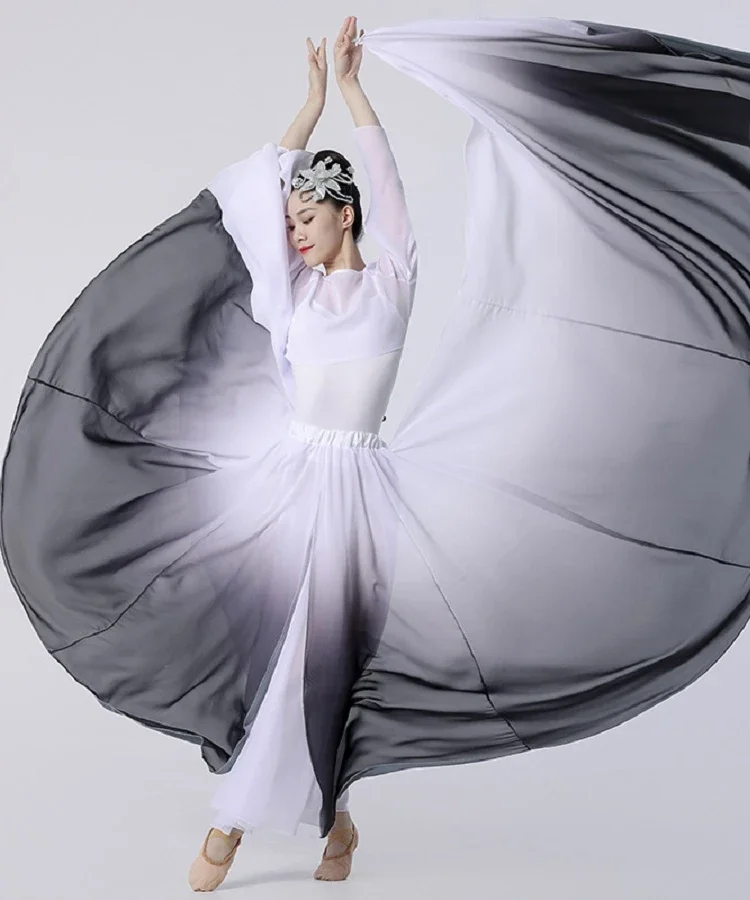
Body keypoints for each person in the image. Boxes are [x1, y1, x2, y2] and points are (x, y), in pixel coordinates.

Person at [187, 15, 417, 891]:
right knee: (279, 659)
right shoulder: (294, 297)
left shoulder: (393, 279)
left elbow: (389, 181)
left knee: (334, 667)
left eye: (309, 217)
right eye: (291, 220)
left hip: (363, 496)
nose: (294, 231)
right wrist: (310, 104)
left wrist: (356, 93)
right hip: (289, 487)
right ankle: (243, 823)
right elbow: (257, 195)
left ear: (344, 213)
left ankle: (325, 823)